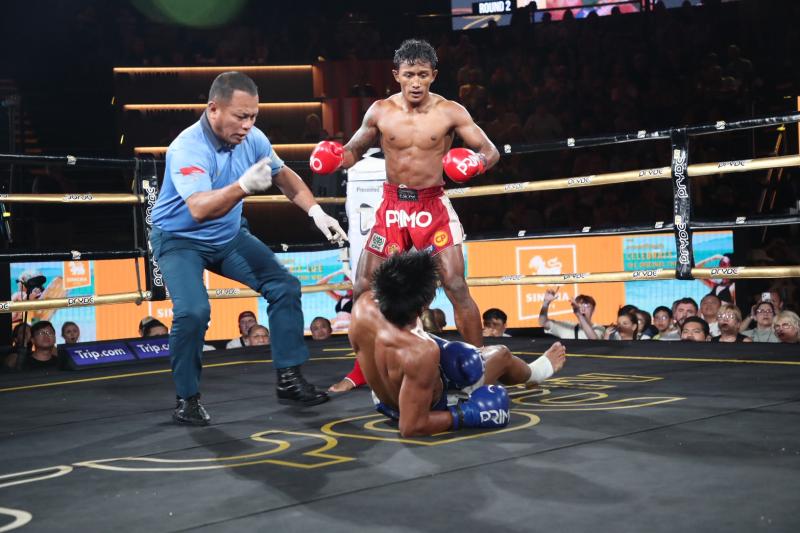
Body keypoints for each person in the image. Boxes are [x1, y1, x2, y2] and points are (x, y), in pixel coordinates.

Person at [149, 71, 347, 426]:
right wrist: (242, 186)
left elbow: (284, 176)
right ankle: (187, 399)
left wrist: (315, 212)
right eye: (241, 116)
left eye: (253, 116)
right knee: (193, 312)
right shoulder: (187, 147)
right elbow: (199, 209)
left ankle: (289, 379)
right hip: (180, 240)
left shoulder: (253, 139)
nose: (248, 125)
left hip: (228, 236)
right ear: (213, 109)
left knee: (284, 286)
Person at [314, 39, 499, 392]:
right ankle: (361, 371)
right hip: (392, 207)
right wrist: (336, 158)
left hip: (432, 206)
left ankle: (479, 369)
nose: (416, 82)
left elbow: (489, 151)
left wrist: (476, 162)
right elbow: (354, 150)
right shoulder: (380, 111)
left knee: (455, 284)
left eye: (423, 75)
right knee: (362, 286)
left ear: (434, 76)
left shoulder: (450, 112)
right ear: (396, 75)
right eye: (410, 74)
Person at [349, 251, 566, 437]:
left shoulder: (362, 307)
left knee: (451, 354)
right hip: (427, 407)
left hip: (382, 399)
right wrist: (466, 414)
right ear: (424, 304)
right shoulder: (421, 351)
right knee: (500, 354)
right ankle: (537, 372)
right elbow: (411, 426)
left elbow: (393, 340)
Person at [539, 288, 605, 339]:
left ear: (593, 310)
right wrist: (546, 303)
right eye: (580, 305)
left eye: (587, 306)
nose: (583, 308)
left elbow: (594, 340)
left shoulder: (599, 328)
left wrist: (579, 315)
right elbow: (543, 323)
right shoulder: (567, 327)